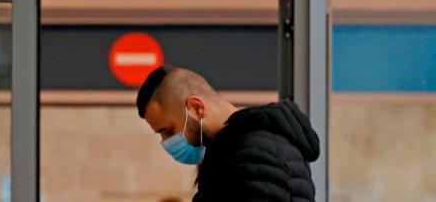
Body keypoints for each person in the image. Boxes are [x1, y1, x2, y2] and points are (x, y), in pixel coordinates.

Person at [136, 65, 320, 201]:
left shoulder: (251, 153)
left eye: (168, 131)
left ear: (196, 108)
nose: (166, 142)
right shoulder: (242, 147)